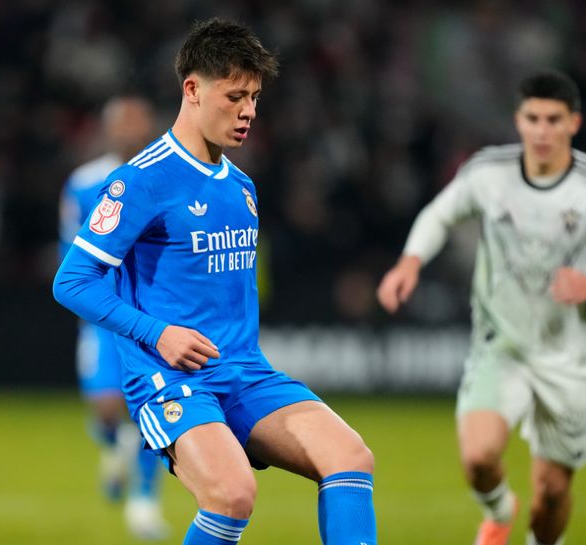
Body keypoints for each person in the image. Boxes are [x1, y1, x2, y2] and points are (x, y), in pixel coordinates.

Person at [53, 18, 377, 545]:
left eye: (255, 98)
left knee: (350, 456)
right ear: (193, 90)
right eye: (235, 97)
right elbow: (71, 281)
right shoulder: (140, 180)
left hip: (244, 371)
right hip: (170, 379)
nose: (249, 112)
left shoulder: (242, 187)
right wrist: (157, 332)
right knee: (232, 494)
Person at [377, 70, 586, 545]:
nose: (542, 131)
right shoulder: (489, 174)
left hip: (569, 358)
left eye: (554, 120)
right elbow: (440, 214)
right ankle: (499, 510)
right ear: (518, 120)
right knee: (478, 458)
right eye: (533, 118)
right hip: (501, 346)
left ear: (574, 123)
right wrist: (410, 262)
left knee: (553, 494)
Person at [58, 95, 169, 540]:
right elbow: (70, 247)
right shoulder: (84, 182)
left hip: (149, 313)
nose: (130, 130)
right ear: (107, 129)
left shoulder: (165, 177)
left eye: (137, 122)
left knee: (150, 409)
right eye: (122, 123)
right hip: (103, 314)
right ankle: (112, 445)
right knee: (106, 407)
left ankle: (144, 501)